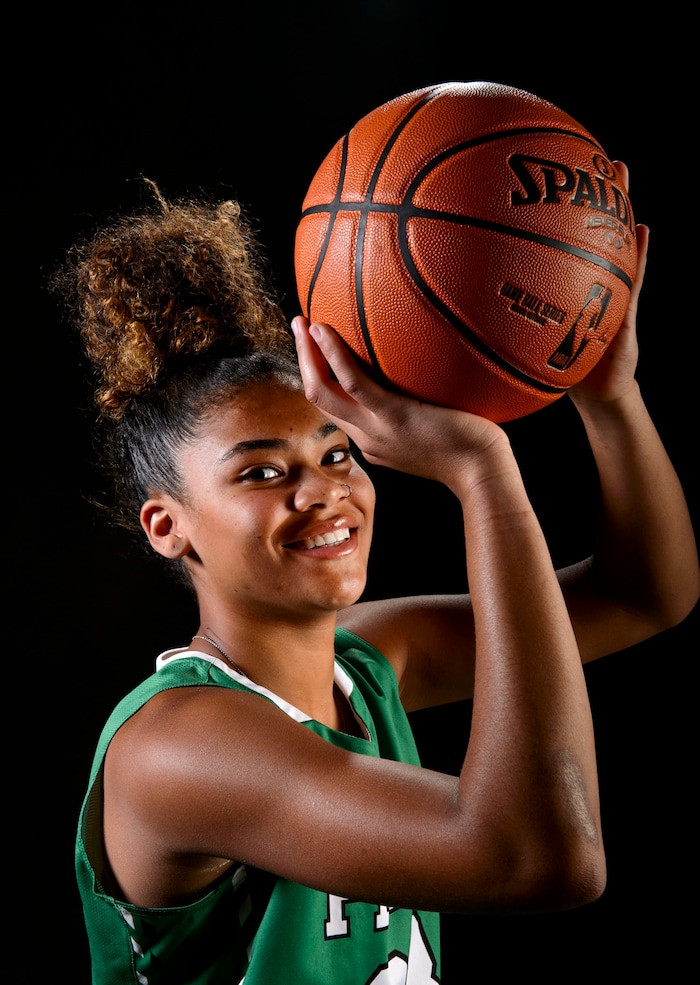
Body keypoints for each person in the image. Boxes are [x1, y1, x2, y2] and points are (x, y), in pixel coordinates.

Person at [58, 177, 698, 985]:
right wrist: (483, 471)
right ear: (168, 526)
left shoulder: (365, 662)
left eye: (335, 453)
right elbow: (542, 855)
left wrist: (610, 397)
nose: (323, 489)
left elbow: (645, 594)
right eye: (261, 471)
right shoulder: (178, 748)